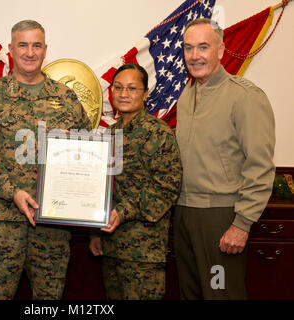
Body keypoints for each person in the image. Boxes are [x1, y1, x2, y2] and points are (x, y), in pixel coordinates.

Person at [0, 20, 92, 300]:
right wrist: (14, 193)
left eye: (36, 45)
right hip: (2, 223)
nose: (30, 52)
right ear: (10, 49)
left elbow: (90, 158)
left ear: (45, 50)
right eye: (23, 45)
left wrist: (74, 144)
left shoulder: (66, 98)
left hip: (52, 227)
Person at [174, 18, 276, 299]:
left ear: (220, 50)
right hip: (183, 213)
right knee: (190, 294)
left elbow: (260, 166)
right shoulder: (186, 96)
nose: (195, 56)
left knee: (220, 295)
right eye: (189, 48)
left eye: (203, 47)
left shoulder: (245, 97)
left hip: (220, 218)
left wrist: (241, 224)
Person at [89, 63, 182, 300]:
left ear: (145, 93)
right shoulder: (110, 134)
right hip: (112, 247)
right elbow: (101, 187)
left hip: (143, 252)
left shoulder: (158, 133)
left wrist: (122, 211)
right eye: (118, 87)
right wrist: (94, 232)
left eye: (131, 88)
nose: (123, 94)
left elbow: (167, 188)